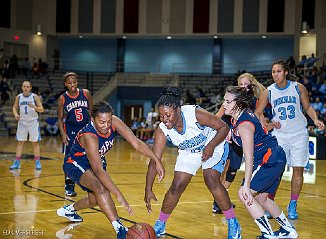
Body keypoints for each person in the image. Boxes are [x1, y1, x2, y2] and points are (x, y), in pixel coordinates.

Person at [56, 101, 165, 239]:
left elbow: (136, 143)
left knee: (96, 200)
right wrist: (119, 195)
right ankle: (120, 229)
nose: (106, 126)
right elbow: (98, 170)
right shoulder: (89, 136)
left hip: (97, 160)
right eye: (102, 122)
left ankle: (69, 210)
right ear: (92, 120)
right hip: (75, 162)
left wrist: (156, 160)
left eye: (108, 121)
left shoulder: (114, 122)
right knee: (100, 188)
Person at [144, 87, 241, 238]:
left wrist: (210, 146)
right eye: (161, 116)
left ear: (177, 109)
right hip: (190, 151)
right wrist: (148, 189)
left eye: (168, 115)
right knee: (177, 186)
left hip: (213, 142)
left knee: (210, 178)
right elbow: (154, 160)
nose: (164, 119)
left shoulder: (193, 113)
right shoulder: (162, 129)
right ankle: (161, 224)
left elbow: (223, 127)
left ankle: (233, 222)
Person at [223, 85, 298, 239]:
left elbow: (248, 157)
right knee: (261, 198)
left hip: (268, 159)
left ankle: (268, 233)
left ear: (237, 103)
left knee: (244, 194)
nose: (224, 104)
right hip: (273, 156)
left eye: (228, 101)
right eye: (224, 100)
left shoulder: (244, 126)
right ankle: (288, 230)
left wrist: (247, 185)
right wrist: (231, 133)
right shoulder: (239, 116)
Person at [255, 60, 325, 220]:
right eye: (273, 72)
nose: (275, 75)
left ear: (286, 72)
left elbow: (307, 107)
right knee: (275, 170)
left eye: (278, 71)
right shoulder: (269, 91)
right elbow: (258, 113)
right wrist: (266, 124)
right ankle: (269, 202)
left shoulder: (297, 87)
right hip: (280, 135)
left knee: (298, 170)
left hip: (299, 133)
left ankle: (293, 204)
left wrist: (315, 120)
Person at [212, 72, 266, 214]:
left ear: (251, 85)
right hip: (228, 137)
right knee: (225, 169)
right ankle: (219, 201)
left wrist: (270, 125)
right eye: (240, 84)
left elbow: (259, 120)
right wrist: (225, 130)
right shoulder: (230, 100)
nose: (243, 87)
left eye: (246, 84)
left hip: (241, 139)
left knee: (233, 170)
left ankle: (221, 199)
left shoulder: (254, 101)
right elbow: (216, 118)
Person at [58, 72, 93, 197]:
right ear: (65, 84)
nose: (72, 84)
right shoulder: (62, 98)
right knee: (69, 158)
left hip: (85, 130)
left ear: (77, 82)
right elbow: (60, 118)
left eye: (74, 81)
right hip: (71, 131)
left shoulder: (86, 93)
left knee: (88, 156)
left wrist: (94, 129)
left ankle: (90, 183)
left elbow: (92, 112)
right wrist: (62, 134)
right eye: (69, 82)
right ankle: (69, 185)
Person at [9, 81, 44, 170]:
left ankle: (37, 162)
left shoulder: (34, 97)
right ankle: (17, 162)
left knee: (35, 142)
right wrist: (16, 114)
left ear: (30, 88)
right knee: (20, 142)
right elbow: (14, 107)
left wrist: (34, 107)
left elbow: (42, 109)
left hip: (33, 123)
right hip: (22, 122)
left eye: (27, 86)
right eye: (24, 86)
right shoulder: (19, 97)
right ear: (22, 87)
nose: (26, 88)